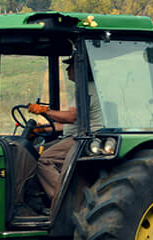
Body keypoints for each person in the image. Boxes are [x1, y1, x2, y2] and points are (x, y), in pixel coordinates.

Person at [27, 55, 102, 202]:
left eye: (71, 65)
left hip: (87, 139)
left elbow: (70, 117)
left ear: (82, 68)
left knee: (44, 160)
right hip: (77, 135)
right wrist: (42, 130)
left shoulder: (87, 89)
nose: (67, 69)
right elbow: (71, 124)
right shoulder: (86, 88)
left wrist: (44, 110)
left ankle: (67, 201)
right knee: (32, 154)